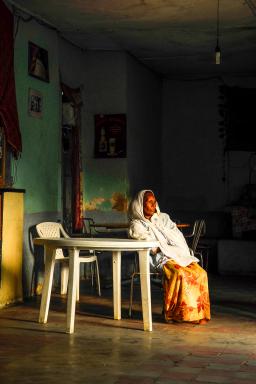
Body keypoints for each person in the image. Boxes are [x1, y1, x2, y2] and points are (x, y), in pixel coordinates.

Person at [128, 189, 211, 324]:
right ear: (140, 205)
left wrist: (168, 244)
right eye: (149, 202)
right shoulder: (137, 225)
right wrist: (164, 246)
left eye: (154, 202)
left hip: (177, 254)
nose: (153, 205)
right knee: (180, 274)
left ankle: (199, 313)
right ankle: (174, 313)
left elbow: (177, 235)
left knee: (200, 273)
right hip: (159, 259)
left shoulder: (163, 218)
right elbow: (153, 247)